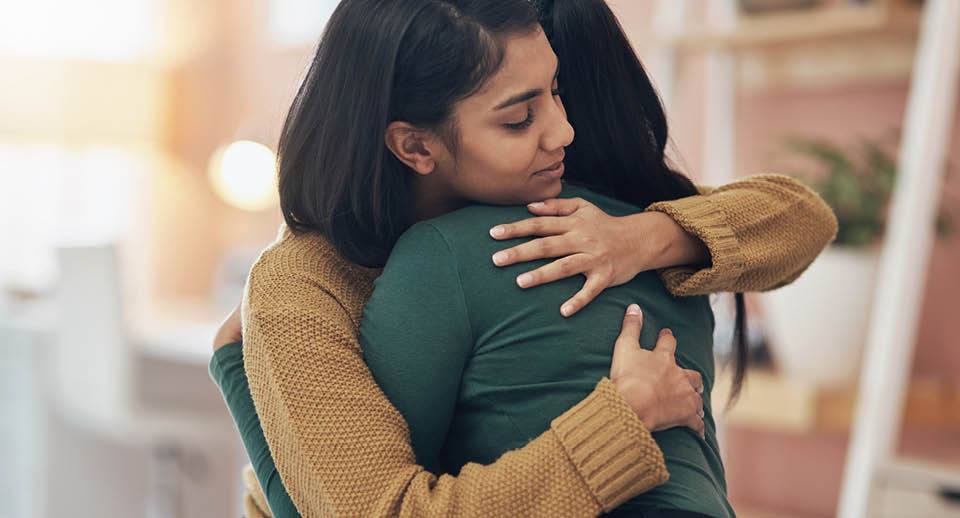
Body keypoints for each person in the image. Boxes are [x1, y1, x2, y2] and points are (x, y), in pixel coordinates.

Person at [209, 0, 838, 516]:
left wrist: (642, 238)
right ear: (414, 146)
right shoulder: (305, 285)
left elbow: (800, 218)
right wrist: (623, 420)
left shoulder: (568, 220)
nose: (562, 132)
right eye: (518, 119)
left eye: (557, 93)